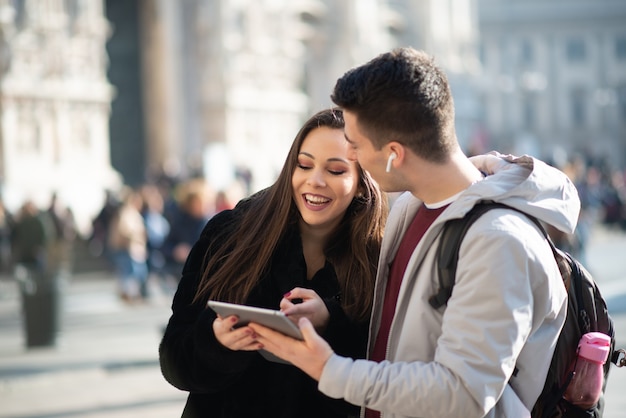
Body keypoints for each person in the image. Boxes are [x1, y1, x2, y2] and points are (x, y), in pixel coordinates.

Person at [247, 48, 581, 418]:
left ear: (394, 154)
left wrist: (329, 369)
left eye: (355, 145)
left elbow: (464, 395)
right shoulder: (411, 207)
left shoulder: (498, 242)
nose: (353, 157)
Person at [159, 108, 388, 418]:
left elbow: (383, 380)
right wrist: (217, 342)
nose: (315, 181)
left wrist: (330, 320)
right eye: (304, 165)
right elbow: (175, 361)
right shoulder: (230, 234)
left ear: (362, 182)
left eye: (335, 170)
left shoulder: (379, 254)